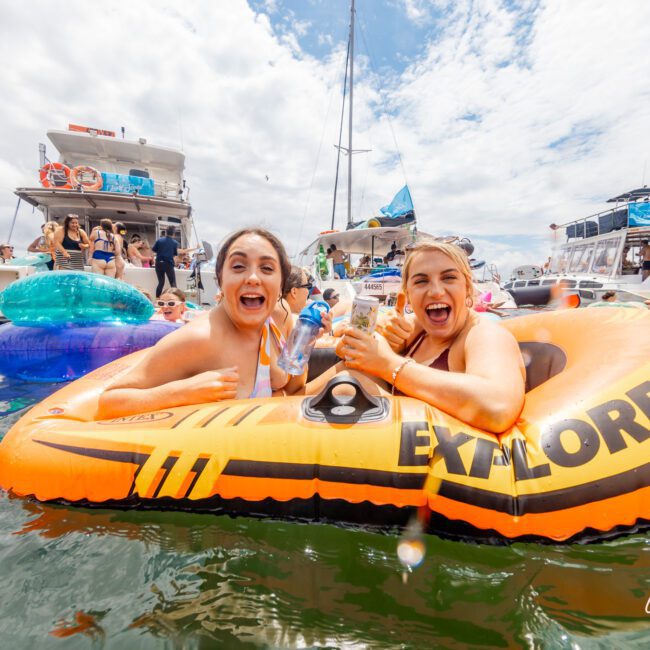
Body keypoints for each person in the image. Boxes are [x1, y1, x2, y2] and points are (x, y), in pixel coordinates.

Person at [97, 228, 332, 419]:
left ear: (281, 282)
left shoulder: (277, 319)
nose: (252, 277)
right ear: (220, 278)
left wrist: (305, 342)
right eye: (238, 266)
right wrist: (182, 392)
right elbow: (110, 401)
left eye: (267, 268)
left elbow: (292, 390)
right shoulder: (201, 339)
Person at [307, 240, 525, 434]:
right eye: (421, 281)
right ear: (408, 294)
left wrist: (388, 363)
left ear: (468, 288)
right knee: (350, 375)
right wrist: (361, 346)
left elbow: (497, 407)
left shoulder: (484, 334)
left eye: (449, 278)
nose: (436, 291)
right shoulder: (417, 330)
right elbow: (359, 354)